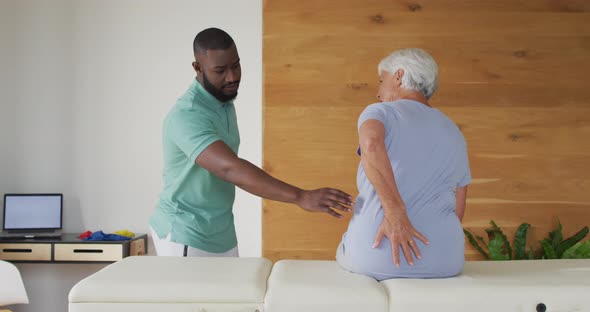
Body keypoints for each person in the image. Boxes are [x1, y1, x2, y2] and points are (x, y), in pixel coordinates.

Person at [149, 28, 352, 257]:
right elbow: (229, 167)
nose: (232, 77)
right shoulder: (187, 115)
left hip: (221, 231)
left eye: (235, 65)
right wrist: (300, 196)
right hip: (184, 232)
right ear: (197, 68)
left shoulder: (222, 102)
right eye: (220, 70)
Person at [336, 48, 471, 280]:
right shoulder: (454, 131)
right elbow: (459, 207)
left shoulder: (380, 112)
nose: (378, 93)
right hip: (445, 261)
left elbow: (370, 143)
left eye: (381, 81)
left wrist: (395, 212)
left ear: (398, 76)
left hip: (376, 259)